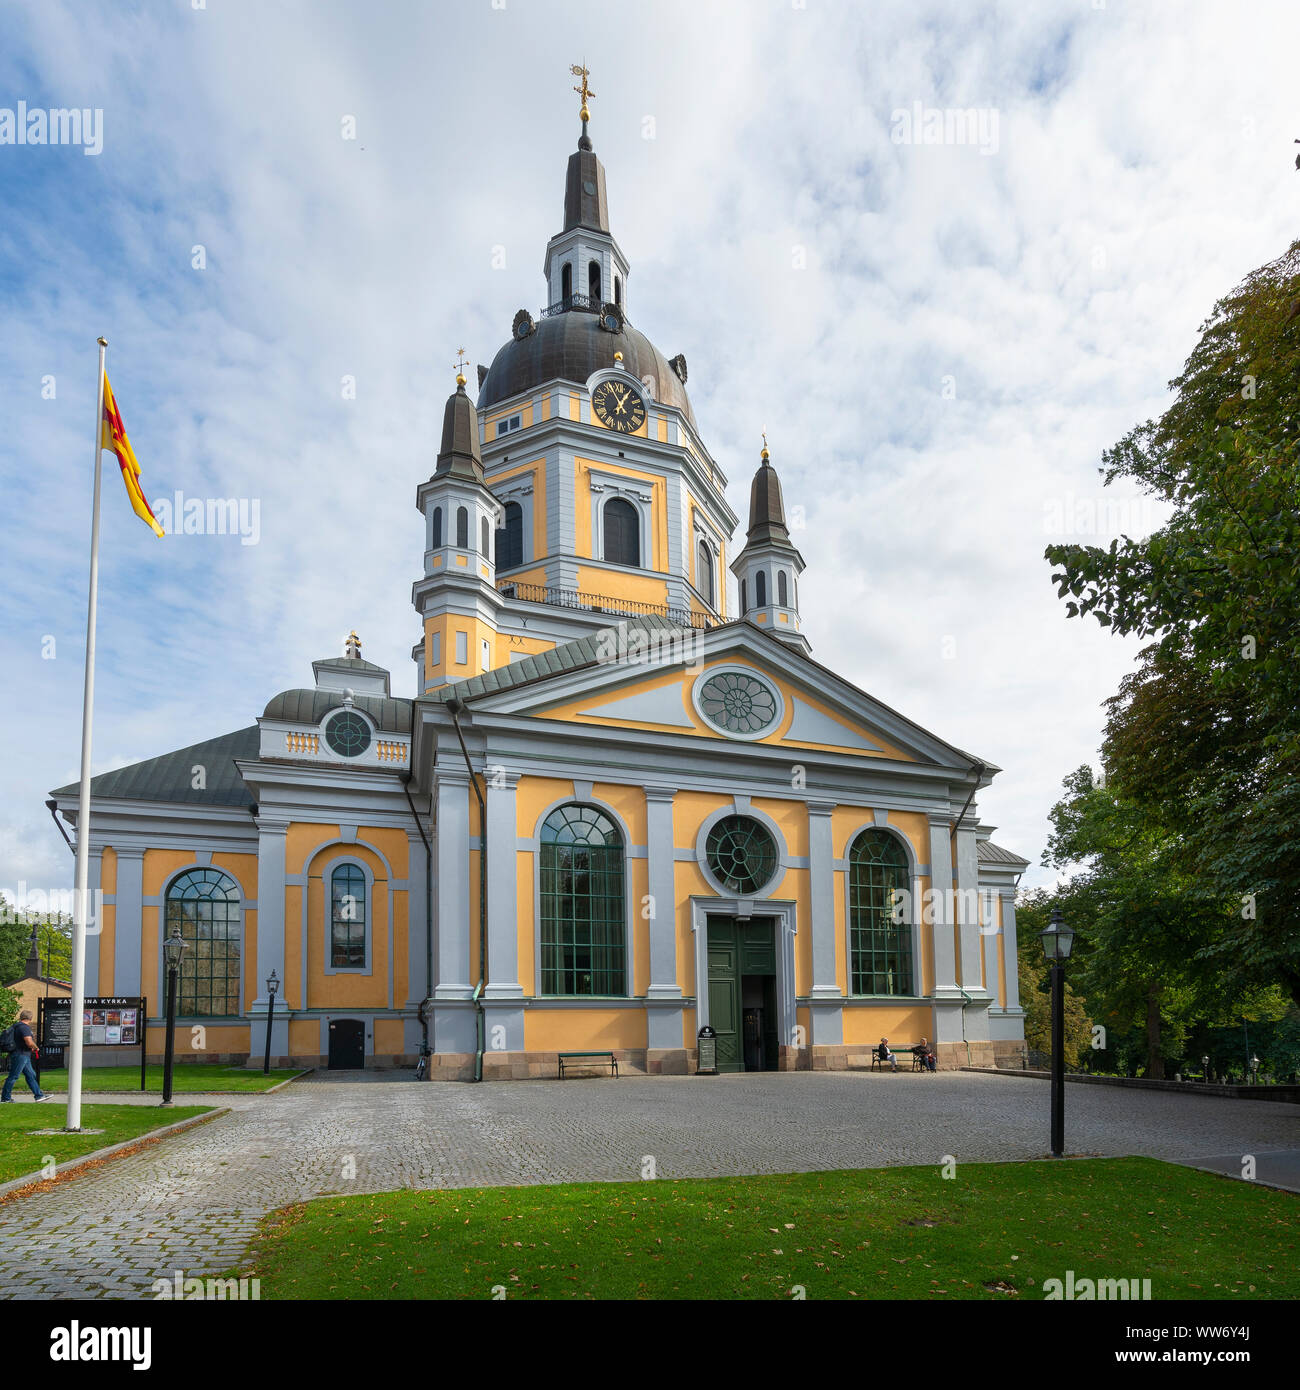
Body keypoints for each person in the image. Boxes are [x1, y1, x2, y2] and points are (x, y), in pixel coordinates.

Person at [2, 1010, 48, 1102]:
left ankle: (39, 1096)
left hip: (22, 1055)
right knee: (13, 1076)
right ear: (30, 1018)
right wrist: (36, 1047)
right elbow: (29, 1041)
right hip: (21, 1055)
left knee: (31, 1075)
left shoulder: (16, 1026)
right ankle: (5, 1098)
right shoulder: (24, 1027)